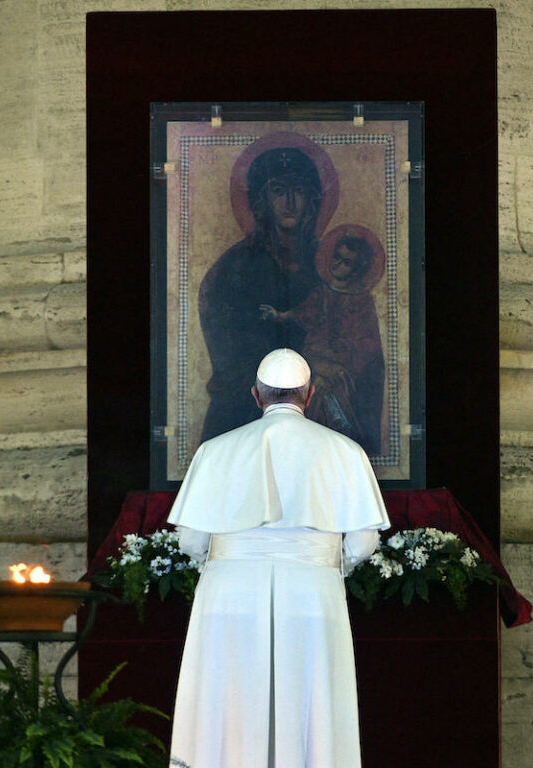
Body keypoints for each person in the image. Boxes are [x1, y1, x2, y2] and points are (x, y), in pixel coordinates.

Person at [167, 348, 390, 768]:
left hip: (228, 595)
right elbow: (361, 545)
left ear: (256, 395)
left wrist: (229, 563)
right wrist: (323, 562)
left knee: (228, 699)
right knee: (312, 701)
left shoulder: (215, 451)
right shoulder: (345, 451)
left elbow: (191, 541)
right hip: (313, 593)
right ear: (309, 394)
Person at [197, 147, 324, 442]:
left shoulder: (328, 261)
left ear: (312, 200)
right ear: (262, 201)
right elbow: (226, 344)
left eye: (299, 191)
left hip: (312, 402)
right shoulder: (236, 265)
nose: (290, 202)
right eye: (279, 192)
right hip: (247, 405)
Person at [259, 233, 384, 454]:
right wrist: (279, 315)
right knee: (316, 383)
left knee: (329, 385)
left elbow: (368, 342)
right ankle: (313, 440)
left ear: (356, 270)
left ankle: (335, 436)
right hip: (315, 355)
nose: (338, 264)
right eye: (337, 257)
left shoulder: (362, 299)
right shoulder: (322, 292)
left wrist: (345, 359)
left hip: (344, 362)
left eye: (346, 262)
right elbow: (303, 313)